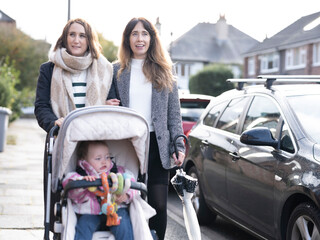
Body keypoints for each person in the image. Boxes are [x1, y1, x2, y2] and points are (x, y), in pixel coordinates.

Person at [107, 17, 186, 240]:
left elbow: (174, 116)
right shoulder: (116, 71)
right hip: (128, 144)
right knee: (128, 200)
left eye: (144, 33)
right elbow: (108, 106)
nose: (139, 38)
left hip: (156, 145)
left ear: (152, 39)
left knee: (159, 204)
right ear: (127, 39)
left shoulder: (165, 72)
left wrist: (178, 144)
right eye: (134, 33)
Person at [34, 18, 113, 133]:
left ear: (89, 40)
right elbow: (41, 106)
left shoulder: (105, 69)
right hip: (61, 135)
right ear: (65, 38)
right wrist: (53, 123)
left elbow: (113, 105)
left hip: (95, 137)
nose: (76, 40)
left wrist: (103, 104)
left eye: (82, 36)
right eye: (72, 34)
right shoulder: (48, 69)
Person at [62, 140, 136, 240]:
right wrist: (83, 182)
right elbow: (68, 186)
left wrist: (126, 195)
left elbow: (132, 182)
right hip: (90, 212)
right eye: (98, 158)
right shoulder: (81, 174)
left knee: (124, 227)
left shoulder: (118, 172)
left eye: (107, 157)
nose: (104, 161)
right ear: (85, 160)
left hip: (115, 210)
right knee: (84, 225)